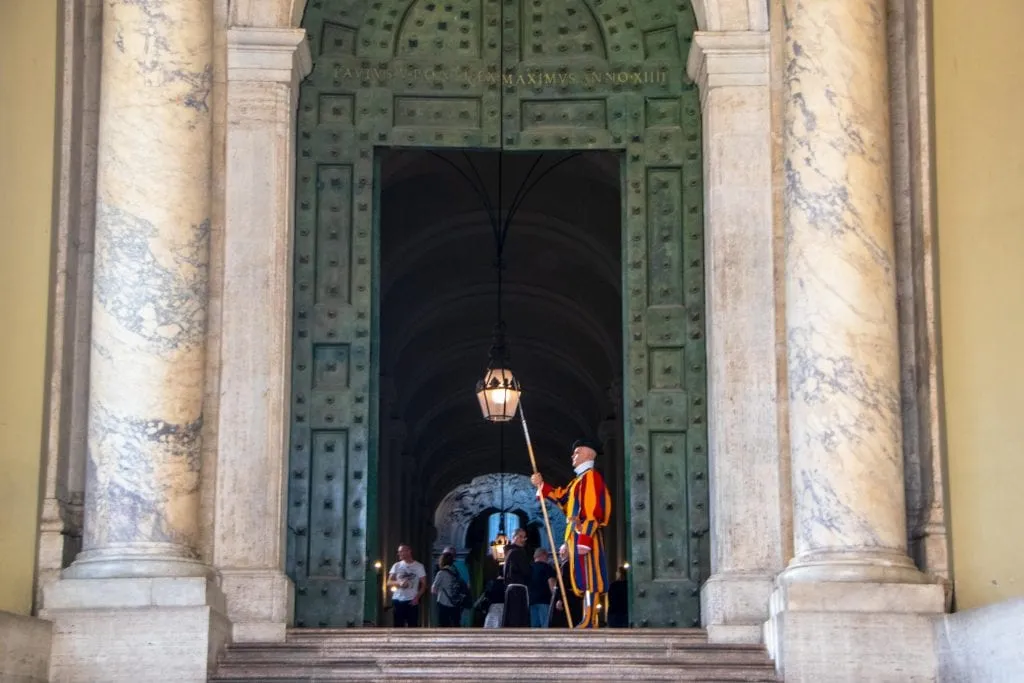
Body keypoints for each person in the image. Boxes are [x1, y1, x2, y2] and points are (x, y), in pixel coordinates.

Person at [532, 438, 611, 629]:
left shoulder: (591, 478)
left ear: (588, 454)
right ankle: (587, 617)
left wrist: (585, 538)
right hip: (576, 534)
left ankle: (590, 619)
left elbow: (593, 511)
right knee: (583, 578)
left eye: (576, 452)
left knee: (591, 578)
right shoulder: (578, 481)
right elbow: (563, 499)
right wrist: (541, 486)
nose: (572, 456)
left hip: (586, 535)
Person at [387, 544, 426, 627]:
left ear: (408, 551)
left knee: (412, 625)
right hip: (397, 599)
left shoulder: (419, 566)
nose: (399, 554)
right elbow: (388, 582)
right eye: (398, 552)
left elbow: (424, 585)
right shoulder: (396, 565)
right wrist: (399, 583)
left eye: (401, 551)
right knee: (398, 625)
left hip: (411, 600)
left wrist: (417, 598)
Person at [501, 528, 531, 627]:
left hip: (512, 590)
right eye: (520, 537)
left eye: (524, 537)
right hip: (518, 591)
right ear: (513, 538)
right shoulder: (516, 552)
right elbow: (526, 571)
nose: (523, 539)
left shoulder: (510, 552)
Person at [548, 544, 582, 628]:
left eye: (560, 550)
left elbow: (563, 583)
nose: (559, 552)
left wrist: (560, 599)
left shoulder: (567, 565)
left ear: (564, 551)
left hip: (567, 597)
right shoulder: (568, 564)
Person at [430, 551, 463, 627]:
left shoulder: (441, 573)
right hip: (455, 603)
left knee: (443, 625)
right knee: (455, 624)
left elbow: (433, 589)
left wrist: (440, 591)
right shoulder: (456, 572)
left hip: (443, 602)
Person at [528, 548, 556, 628]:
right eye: (547, 556)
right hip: (544, 601)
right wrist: (555, 598)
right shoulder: (547, 567)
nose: (547, 558)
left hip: (531, 601)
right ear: (543, 555)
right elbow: (551, 583)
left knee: (534, 627)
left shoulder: (529, 568)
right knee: (545, 626)